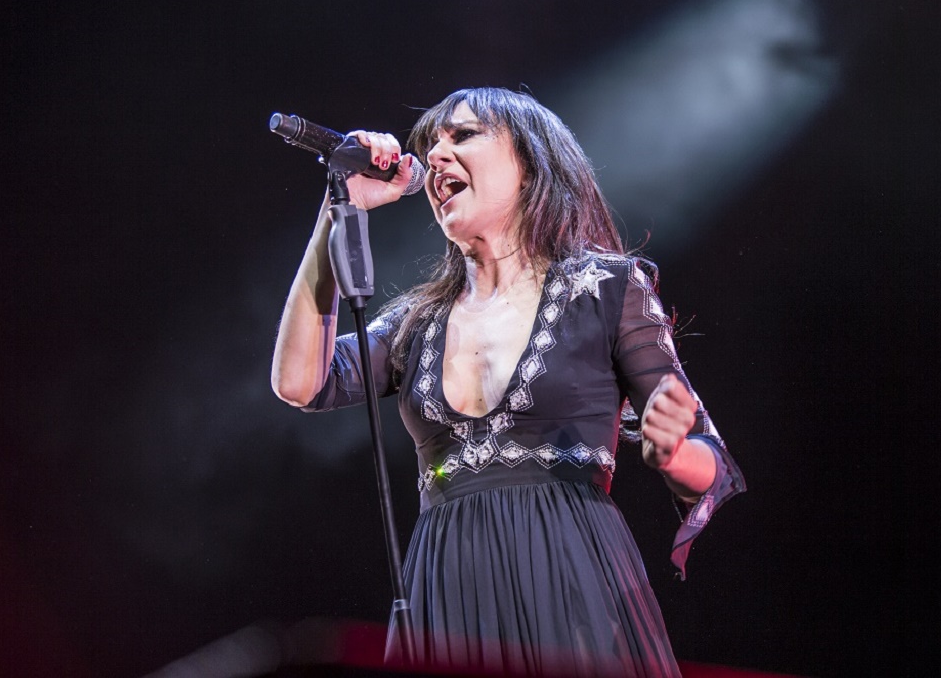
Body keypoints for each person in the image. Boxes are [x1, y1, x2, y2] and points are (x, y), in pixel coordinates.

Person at [271, 87, 745, 677]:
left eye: (463, 135)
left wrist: (671, 454)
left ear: (529, 161)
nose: (436, 155)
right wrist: (338, 205)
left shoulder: (605, 289)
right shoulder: (416, 321)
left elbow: (713, 466)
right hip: (446, 589)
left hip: (570, 575)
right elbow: (300, 381)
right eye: (431, 145)